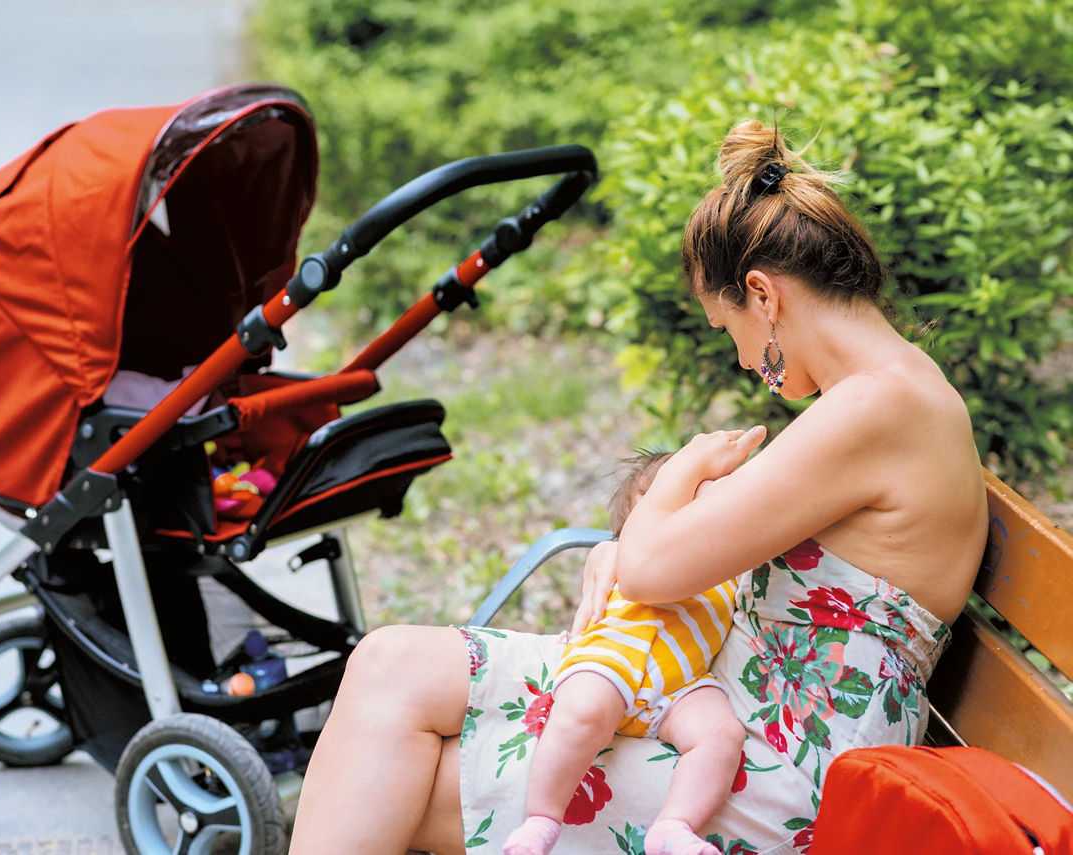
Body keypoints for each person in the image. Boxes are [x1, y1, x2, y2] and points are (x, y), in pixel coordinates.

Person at [286, 119, 989, 854]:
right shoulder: (878, 395)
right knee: (388, 663)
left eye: (728, 330)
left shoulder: (877, 407)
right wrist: (625, 550)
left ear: (762, 294)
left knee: (418, 778)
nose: (746, 361)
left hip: (781, 759)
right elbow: (685, 550)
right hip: (713, 689)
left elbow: (654, 564)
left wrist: (639, 535)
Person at [503, 451, 744, 855]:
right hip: (612, 658)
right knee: (583, 711)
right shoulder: (627, 557)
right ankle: (541, 819)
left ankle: (675, 826)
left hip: (682, 684)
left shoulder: (734, 563)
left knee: (721, 734)